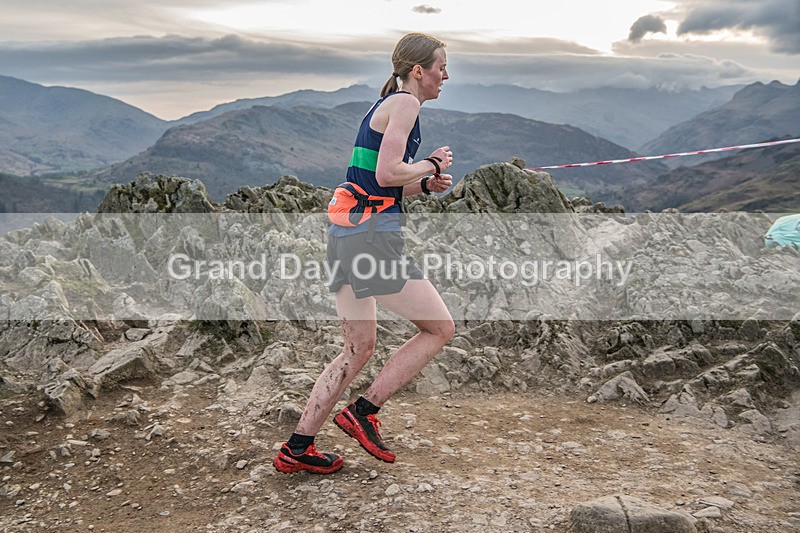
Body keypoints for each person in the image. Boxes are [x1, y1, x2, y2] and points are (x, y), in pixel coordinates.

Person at [273, 32, 456, 474]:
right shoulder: (407, 105)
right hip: (371, 239)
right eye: (440, 67)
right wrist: (432, 164)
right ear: (418, 71)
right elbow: (388, 170)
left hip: (345, 235)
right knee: (440, 329)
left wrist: (424, 185)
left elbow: (382, 182)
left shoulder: (385, 105)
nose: (445, 75)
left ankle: (297, 448)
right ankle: (364, 411)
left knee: (357, 349)